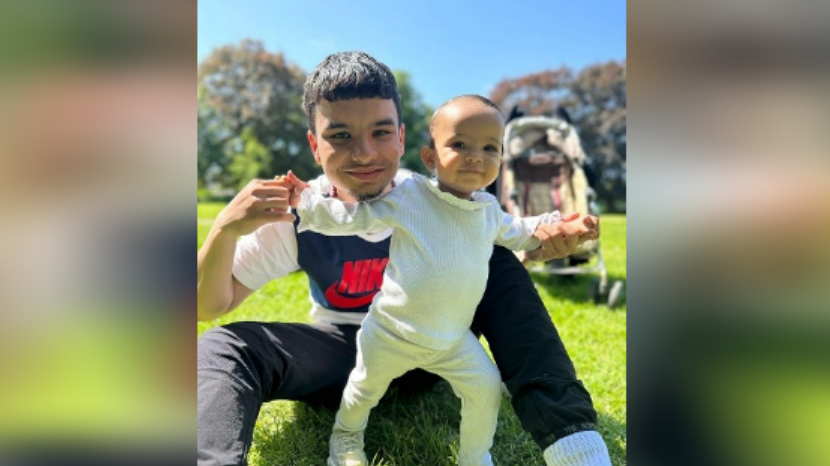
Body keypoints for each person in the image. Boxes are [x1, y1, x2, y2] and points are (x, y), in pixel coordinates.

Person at [197, 51, 612, 466]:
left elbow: (481, 261)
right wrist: (223, 231)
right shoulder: (300, 215)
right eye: (340, 135)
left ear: (401, 136)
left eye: (380, 132)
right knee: (224, 347)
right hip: (349, 351)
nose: (364, 153)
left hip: (439, 341)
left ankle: (573, 444)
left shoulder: (434, 197)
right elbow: (208, 305)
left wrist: (540, 243)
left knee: (497, 256)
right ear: (314, 145)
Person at [279, 94, 597, 466]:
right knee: (363, 390)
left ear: (500, 161)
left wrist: (558, 225)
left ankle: (474, 457)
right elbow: (353, 217)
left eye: (490, 148)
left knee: (484, 388)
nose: (475, 156)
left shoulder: (488, 211)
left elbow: (522, 232)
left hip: (450, 339)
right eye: (459, 145)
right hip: (391, 331)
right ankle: (346, 437)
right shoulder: (411, 196)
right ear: (430, 158)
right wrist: (306, 202)